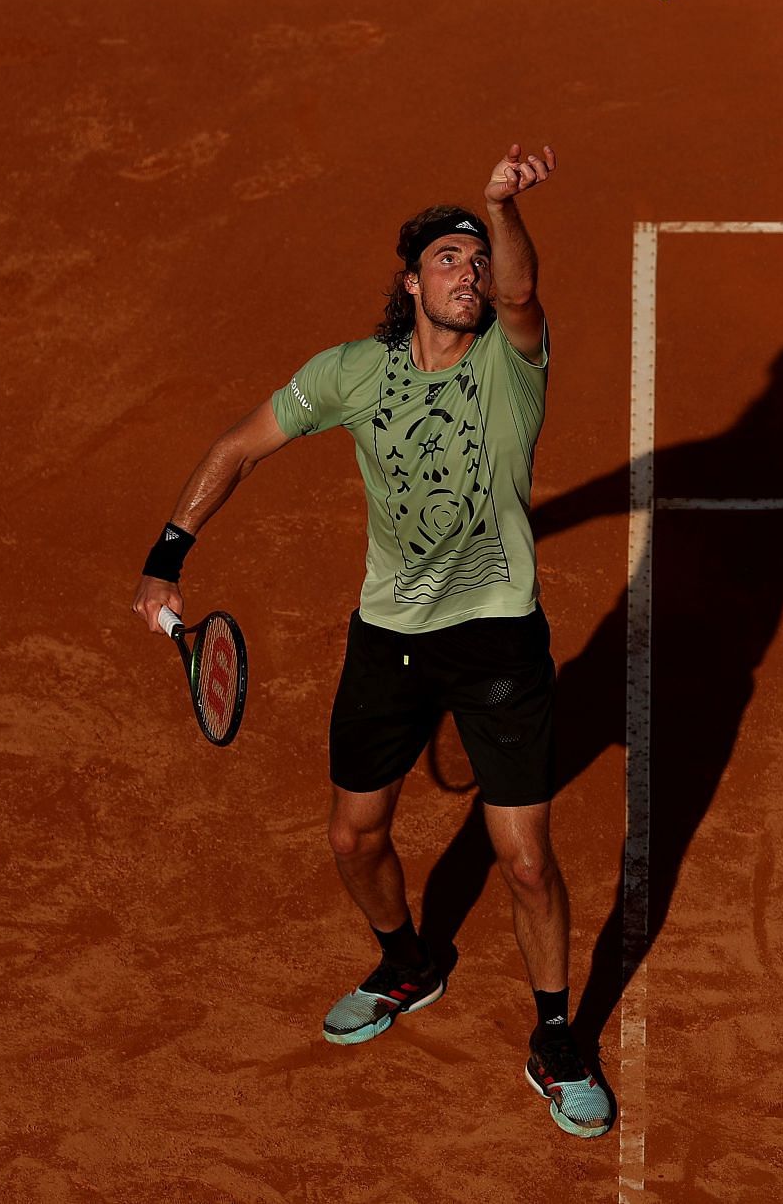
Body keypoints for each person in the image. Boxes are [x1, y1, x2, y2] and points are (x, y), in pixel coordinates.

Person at [130, 144, 611, 1140]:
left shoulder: (510, 364)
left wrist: (498, 207)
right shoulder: (351, 373)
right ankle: (408, 960)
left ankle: (556, 1034)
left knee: (524, 862)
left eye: (476, 261)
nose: (469, 273)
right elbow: (238, 445)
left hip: (498, 644)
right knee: (354, 838)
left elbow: (525, 287)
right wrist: (168, 552)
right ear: (410, 280)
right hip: (389, 638)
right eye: (448, 259)